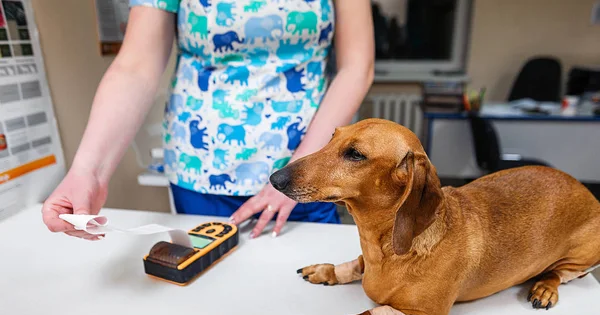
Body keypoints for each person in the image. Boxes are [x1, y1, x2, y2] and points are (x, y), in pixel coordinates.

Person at [42, 0, 374, 240]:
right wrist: (88, 170)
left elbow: (357, 67)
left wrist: (299, 168)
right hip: (200, 174)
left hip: (307, 171)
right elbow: (135, 66)